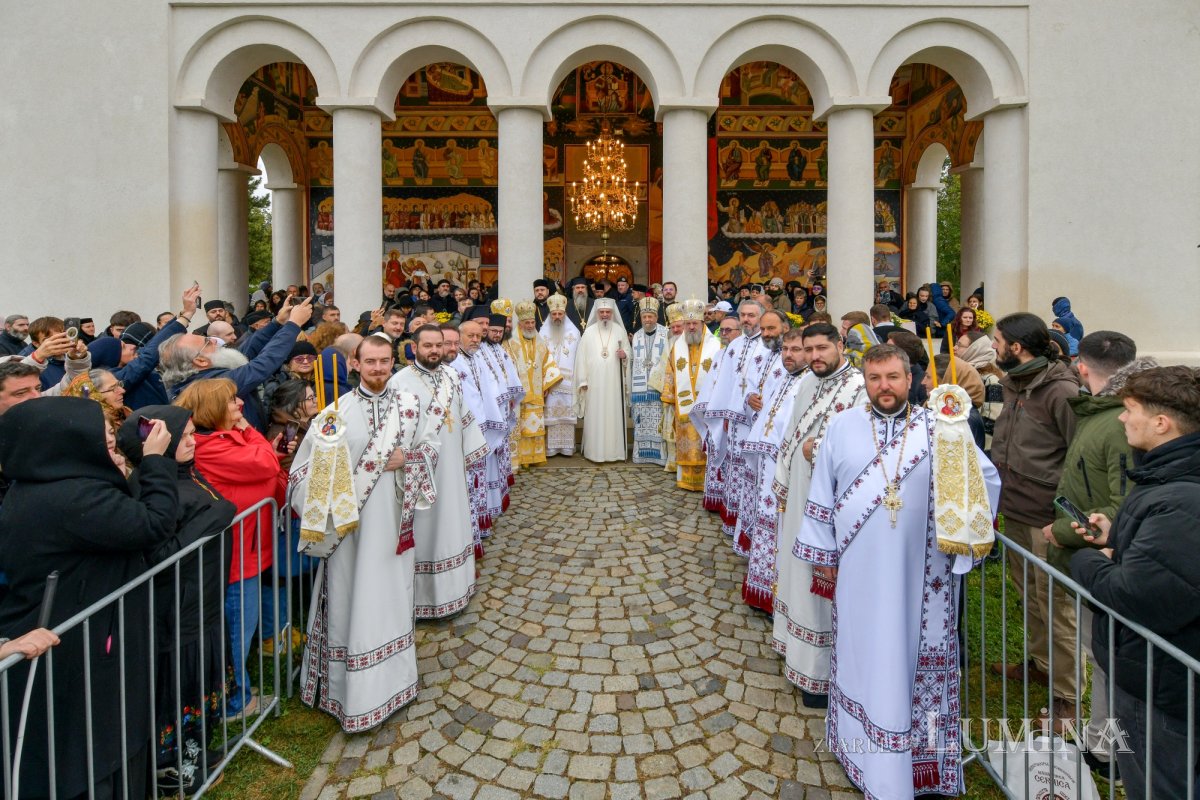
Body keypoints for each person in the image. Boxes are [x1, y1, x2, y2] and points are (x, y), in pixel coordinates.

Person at [795, 344, 1000, 797]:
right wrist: (823, 556)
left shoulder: (941, 429)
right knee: (863, 653)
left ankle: (920, 759)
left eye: (892, 377)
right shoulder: (842, 426)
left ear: (911, 380)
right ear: (865, 381)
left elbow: (984, 481)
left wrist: (960, 526)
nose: (883, 387)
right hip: (858, 573)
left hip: (923, 575)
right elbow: (822, 493)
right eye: (874, 378)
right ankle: (859, 747)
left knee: (911, 656)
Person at [0, 397, 178, 800]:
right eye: (103, 439)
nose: (110, 443)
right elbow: (154, 524)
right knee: (93, 755)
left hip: (85, 640)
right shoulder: (71, 498)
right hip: (78, 653)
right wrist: (154, 462)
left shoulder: (41, 488)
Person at [290, 336, 433, 733]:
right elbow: (304, 479)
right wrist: (339, 488)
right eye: (370, 362)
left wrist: (410, 461)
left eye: (385, 362)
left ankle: (398, 684)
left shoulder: (409, 406)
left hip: (394, 526)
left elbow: (430, 449)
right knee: (355, 602)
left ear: (393, 362)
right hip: (352, 534)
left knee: (393, 597)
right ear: (355, 363)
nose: (378, 369)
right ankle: (352, 695)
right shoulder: (335, 416)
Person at [1070, 366, 1200, 799]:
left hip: (1163, 689)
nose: (1122, 419)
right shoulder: (1169, 478)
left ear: (1161, 423)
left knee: (1157, 785)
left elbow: (1138, 596)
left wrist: (1087, 559)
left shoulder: (1182, 498)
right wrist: (1118, 537)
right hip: (1155, 678)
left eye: (1129, 410)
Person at [1041, 332, 1147, 765]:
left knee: (1108, 660)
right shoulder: (1101, 411)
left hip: (1107, 563)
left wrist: (1063, 531)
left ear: (1080, 368)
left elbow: (1122, 504)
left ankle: (1109, 752)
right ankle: (1102, 742)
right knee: (1098, 654)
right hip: (1092, 559)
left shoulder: (1119, 421)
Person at [117, 406, 235, 793]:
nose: (191, 441)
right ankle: (175, 767)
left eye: (190, 433)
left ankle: (200, 750)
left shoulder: (182, 473)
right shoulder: (149, 487)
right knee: (180, 689)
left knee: (202, 682)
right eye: (181, 436)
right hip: (177, 612)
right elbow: (159, 555)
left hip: (204, 600)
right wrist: (214, 517)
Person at [174, 377, 289, 721]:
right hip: (236, 555)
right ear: (211, 409)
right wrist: (254, 434)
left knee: (245, 624)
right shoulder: (210, 446)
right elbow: (267, 464)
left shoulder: (226, 437)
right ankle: (235, 701)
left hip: (251, 547)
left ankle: (238, 690)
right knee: (238, 628)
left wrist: (251, 437)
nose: (239, 406)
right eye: (231, 402)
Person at [988, 312, 1082, 727]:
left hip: (1046, 517)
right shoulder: (1015, 383)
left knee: (1056, 603)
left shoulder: (1060, 391)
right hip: (1016, 507)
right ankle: (1041, 664)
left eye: (996, 341)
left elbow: (1078, 457)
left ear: (1017, 347)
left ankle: (1068, 696)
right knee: (1030, 595)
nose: (993, 346)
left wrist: (1063, 516)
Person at [771, 323, 866, 704]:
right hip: (799, 495)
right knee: (796, 573)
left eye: (822, 348)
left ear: (840, 345)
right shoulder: (808, 382)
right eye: (808, 349)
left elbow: (863, 445)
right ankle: (795, 652)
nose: (814, 357)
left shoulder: (859, 388)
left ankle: (820, 675)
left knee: (821, 586)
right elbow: (792, 430)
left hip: (831, 504)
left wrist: (821, 450)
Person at [388, 327, 485, 618]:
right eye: (427, 345)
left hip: (453, 466)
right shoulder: (399, 383)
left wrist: (472, 453)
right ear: (414, 347)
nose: (434, 350)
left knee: (454, 524)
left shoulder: (452, 376)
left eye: (438, 345)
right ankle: (425, 601)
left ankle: (459, 589)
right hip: (421, 473)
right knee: (429, 531)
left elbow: (464, 415)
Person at [161, 296, 313, 432]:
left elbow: (245, 351)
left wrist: (277, 322)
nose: (213, 340)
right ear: (200, 361)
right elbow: (262, 365)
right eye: (207, 342)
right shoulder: (212, 386)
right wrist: (293, 325)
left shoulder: (203, 374)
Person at [739, 324, 806, 613]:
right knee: (768, 530)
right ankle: (761, 590)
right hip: (768, 469)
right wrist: (749, 402)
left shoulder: (807, 383)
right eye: (786, 349)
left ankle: (776, 599)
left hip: (785, 472)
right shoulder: (787, 378)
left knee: (779, 533)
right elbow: (767, 412)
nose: (788, 355)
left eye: (796, 350)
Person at [694, 300, 768, 543]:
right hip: (733, 420)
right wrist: (723, 413)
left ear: (761, 317)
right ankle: (733, 517)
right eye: (743, 315)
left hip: (755, 419)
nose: (747, 319)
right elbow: (724, 383)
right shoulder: (734, 346)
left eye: (751, 315)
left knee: (750, 469)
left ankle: (749, 521)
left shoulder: (768, 347)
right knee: (733, 467)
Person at [732, 309, 790, 555]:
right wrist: (749, 398)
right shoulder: (761, 356)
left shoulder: (791, 357)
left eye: (771, 329)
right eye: (764, 329)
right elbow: (748, 384)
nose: (766, 334)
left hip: (776, 440)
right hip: (756, 432)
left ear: (784, 328)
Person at [661, 299, 719, 491]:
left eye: (695, 323)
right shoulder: (677, 347)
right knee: (686, 442)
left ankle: (707, 481)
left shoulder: (716, 346)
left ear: (703, 323)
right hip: (684, 407)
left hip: (708, 408)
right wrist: (668, 396)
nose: (691, 327)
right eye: (688, 324)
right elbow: (670, 372)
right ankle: (685, 479)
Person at [502, 301, 562, 466]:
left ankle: (534, 458)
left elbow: (547, 362)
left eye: (532, 322)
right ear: (520, 324)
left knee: (534, 426)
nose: (530, 326)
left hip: (536, 391)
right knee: (520, 428)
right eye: (526, 323)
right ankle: (520, 459)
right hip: (519, 394)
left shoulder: (540, 341)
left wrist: (546, 384)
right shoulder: (510, 343)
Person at [573, 298, 630, 463]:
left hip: (614, 383)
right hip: (594, 385)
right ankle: (594, 452)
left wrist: (625, 355)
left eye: (608, 312)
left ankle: (615, 452)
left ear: (612, 313)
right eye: (602, 312)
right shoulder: (589, 332)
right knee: (595, 416)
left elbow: (628, 351)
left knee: (613, 414)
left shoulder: (620, 331)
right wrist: (582, 380)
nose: (605, 315)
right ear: (597, 313)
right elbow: (581, 358)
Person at [538, 295, 580, 456]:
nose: (557, 317)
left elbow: (578, 357)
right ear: (550, 315)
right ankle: (551, 448)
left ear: (564, 314)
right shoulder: (542, 333)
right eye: (554, 314)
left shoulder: (574, 332)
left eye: (560, 314)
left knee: (567, 416)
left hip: (569, 384)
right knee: (551, 416)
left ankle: (568, 448)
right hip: (550, 384)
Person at [630, 297, 668, 465]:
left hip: (657, 388)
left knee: (658, 423)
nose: (647, 320)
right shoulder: (636, 336)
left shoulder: (665, 333)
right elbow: (632, 363)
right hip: (640, 390)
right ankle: (641, 456)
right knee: (641, 422)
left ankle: (659, 457)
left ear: (656, 317)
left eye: (650, 316)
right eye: (644, 317)